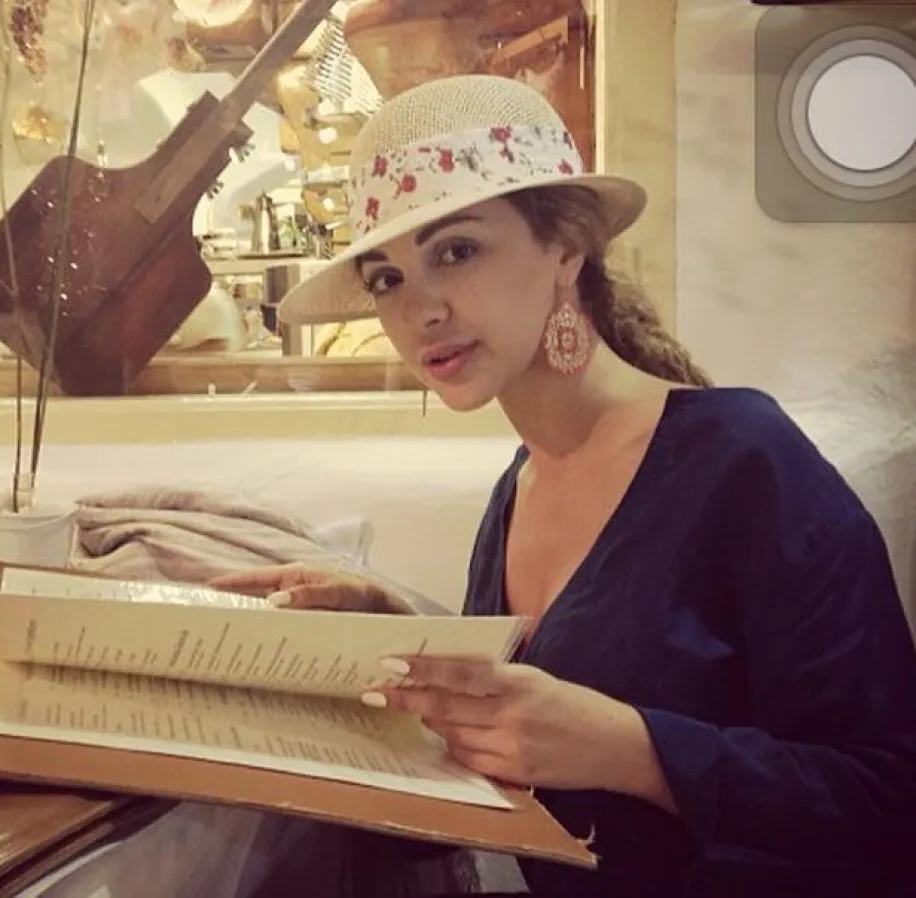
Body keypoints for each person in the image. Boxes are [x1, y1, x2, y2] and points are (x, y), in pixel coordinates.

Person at [210, 74, 916, 897]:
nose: (420, 311)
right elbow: (522, 753)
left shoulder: (744, 461)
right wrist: (394, 641)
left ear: (568, 247)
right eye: (386, 278)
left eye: (456, 251)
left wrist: (636, 751)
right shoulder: (515, 495)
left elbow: (889, 801)